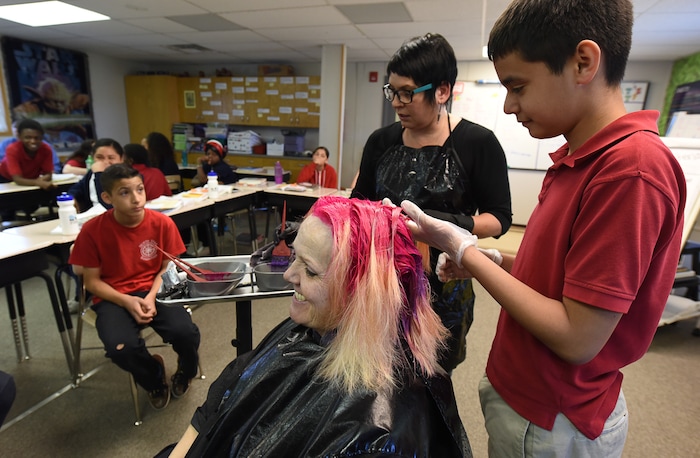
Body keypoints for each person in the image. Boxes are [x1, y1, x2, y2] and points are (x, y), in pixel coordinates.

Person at [401, 1, 686, 456]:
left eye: (518, 86)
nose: (510, 105)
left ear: (583, 62)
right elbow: (564, 277)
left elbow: (577, 336)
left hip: (553, 419)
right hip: (525, 396)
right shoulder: (579, 158)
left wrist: (463, 247)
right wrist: (494, 263)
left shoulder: (630, 170)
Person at [163, 196, 472, 457]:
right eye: (294, 257)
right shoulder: (310, 324)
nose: (288, 276)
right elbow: (223, 397)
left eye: (309, 270)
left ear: (361, 295)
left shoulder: (377, 435)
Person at [351, 33, 512, 373]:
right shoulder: (381, 142)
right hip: (382, 280)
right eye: (391, 91)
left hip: (445, 283)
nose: (396, 102)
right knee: (379, 371)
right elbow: (359, 202)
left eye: (407, 92)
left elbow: (499, 219)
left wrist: (446, 226)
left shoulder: (477, 143)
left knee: (432, 378)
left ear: (442, 91)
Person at [69, 163, 200, 410]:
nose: (137, 198)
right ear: (107, 197)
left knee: (186, 333)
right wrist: (127, 301)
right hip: (113, 296)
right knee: (121, 348)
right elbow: (92, 282)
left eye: (139, 189)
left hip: (156, 289)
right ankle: (153, 376)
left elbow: (167, 268)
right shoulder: (92, 230)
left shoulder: (161, 223)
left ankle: (186, 370)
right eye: (124, 192)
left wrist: (151, 297)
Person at [68, 138, 123, 212]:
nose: (105, 162)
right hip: (92, 215)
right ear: (93, 157)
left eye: (111, 158)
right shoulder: (92, 172)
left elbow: (107, 205)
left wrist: (99, 174)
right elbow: (77, 187)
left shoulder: (126, 177)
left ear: (121, 159)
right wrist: (72, 196)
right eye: (99, 157)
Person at [0, 118, 55, 188]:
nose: (33, 141)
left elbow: (48, 174)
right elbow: (17, 179)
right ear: (19, 137)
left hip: (31, 180)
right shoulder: (12, 149)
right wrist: (38, 182)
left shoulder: (46, 149)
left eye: (37, 138)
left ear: (42, 138)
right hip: (6, 179)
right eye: (27, 137)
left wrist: (41, 180)